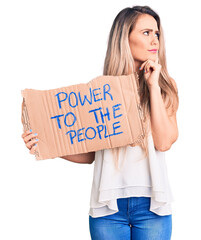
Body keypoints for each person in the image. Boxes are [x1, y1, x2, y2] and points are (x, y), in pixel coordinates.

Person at [22, 5, 179, 240]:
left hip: (152, 208)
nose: (154, 39)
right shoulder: (102, 91)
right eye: (146, 33)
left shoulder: (164, 88)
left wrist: (153, 86)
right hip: (108, 209)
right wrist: (48, 146)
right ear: (124, 38)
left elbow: (164, 142)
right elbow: (92, 155)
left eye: (156, 33)